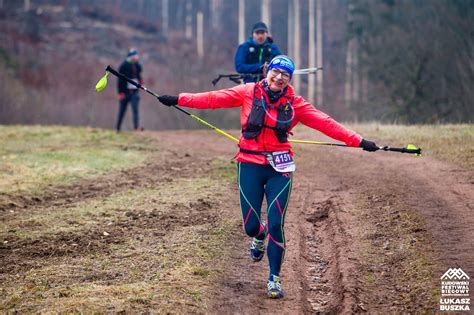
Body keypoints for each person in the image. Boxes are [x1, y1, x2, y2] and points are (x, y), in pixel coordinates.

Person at [156, 55, 379, 299]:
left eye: (285, 75)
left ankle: (274, 278)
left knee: (276, 222)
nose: (279, 77)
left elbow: (327, 124)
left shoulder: (296, 104)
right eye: (276, 72)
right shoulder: (248, 92)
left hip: (280, 169)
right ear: (267, 72)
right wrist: (178, 99)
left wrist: (359, 141)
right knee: (252, 226)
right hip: (249, 164)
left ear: (289, 79)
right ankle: (258, 236)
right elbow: (212, 99)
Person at [116, 48, 143, 132]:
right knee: (122, 111)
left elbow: (139, 75)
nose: (135, 58)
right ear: (130, 57)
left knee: (135, 110)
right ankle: (118, 128)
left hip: (134, 92)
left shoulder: (137, 65)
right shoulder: (123, 65)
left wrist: (141, 82)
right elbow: (120, 81)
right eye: (133, 56)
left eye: (136, 56)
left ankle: (136, 127)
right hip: (125, 92)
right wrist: (120, 93)